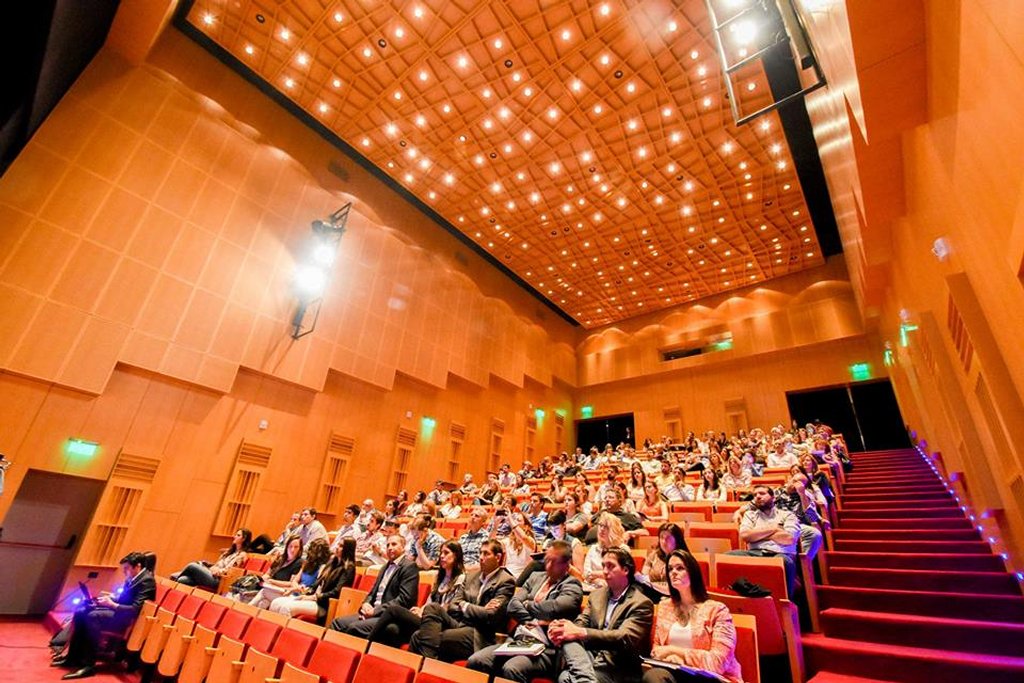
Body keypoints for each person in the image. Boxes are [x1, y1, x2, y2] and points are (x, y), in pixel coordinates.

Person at [467, 541, 584, 683]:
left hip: (545, 648)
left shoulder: (572, 585)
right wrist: (531, 619)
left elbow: (556, 607)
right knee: (476, 660)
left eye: (554, 562)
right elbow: (513, 605)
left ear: (566, 565)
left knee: (512, 668)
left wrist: (527, 604)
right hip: (518, 641)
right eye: (547, 560)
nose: (548, 566)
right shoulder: (535, 577)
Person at [548, 547, 654, 683]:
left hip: (618, 667)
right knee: (567, 637)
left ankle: (584, 678)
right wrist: (563, 628)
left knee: (565, 678)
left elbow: (624, 637)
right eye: (603, 565)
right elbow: (581, 621)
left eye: (610, 566)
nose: (604, 571)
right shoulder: (596, 595)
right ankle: (586, 679)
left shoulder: (641, 603)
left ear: (625, 570)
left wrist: (581, 632)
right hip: (590, 658)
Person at [52, 551, 157, 680]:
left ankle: (88, 665)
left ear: (138, 566)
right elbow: (125, 598)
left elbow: (136, 609)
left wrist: (112, 604)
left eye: (126, 568)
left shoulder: (147, 581)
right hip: (119, 612)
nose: (124, 572)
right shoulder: (134, 577)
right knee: (81, 611)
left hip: (126, 619)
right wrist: (112, 598)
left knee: (93, 616)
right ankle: (72, 658)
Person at [410, 539, 517, 661]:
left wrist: (464, 605)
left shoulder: (506, 581)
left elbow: (490, 615)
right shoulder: (471, 576)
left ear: (497, 557)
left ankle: (425, 666)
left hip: (478, 633)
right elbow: (453, 605)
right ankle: (425, 666)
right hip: (460, 624)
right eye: (480, 553)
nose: (481, 557)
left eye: (486, 554)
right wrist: (470, 607)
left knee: (418, 637)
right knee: (432, 607)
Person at [644, 550, 742, 683]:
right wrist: (672, 659)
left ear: (692, 573)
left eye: (680, 568)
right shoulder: (665, 607)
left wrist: (675, 652)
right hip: (675, 674)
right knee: (654, 676)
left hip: (710, 678)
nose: (673, 572)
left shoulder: (718, 610)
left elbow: (717, 663)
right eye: (670, 569)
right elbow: (657, 651)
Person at [367, 541, 466, 647]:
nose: (442, 556)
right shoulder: (439, 577)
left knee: (393, 610)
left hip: (441, 622)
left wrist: (424, 612)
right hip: (428, 617)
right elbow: (430, 601)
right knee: (392, 629)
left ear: (456, 555)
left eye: (446, 553)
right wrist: (421, 609)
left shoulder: (461, 578)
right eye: (441, 553)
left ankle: (367, 644)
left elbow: (450, 607)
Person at [329, 534, 419, 637]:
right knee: (337, 623)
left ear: (403, 548)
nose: (390, 548)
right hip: (372, 613)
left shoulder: (409, 567)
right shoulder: (384, 567)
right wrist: (366, 604)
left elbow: (404, 599)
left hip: (389, 617)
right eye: (388, 545)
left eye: (394, 544)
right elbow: (372, 593)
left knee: (354, 628)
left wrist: (375, 611)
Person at [729, 485, 801, 597]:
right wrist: (775, 529)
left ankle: (786, 606)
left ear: (773, 497)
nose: (757, 496)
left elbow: (789, 538)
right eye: (755, 495)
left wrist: (758, 535)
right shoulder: (750, 515)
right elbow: (745, 536)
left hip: (780, 553)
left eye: (762, 493)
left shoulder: (787, 515)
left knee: (783, 562)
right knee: (729, 556)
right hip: (755, 552)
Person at [269, 538, 357, 623]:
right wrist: (305, 589)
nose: (337, 547)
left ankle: (285, 635)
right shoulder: (332, 562)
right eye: (338, 544)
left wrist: (313, 597)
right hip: (314, 598)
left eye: (341, 546)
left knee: (286, 608)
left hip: (324, 605)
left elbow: (337, 592)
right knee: (276, 603)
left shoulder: (349, 568)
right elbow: (317, 583)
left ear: (347, 549)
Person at [170, 528, 250, 590]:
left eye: (238, 535)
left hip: (219, 580)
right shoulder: (228, 552)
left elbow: (230, 571)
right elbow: (216, 565)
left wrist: (217, 570)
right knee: (182, 580)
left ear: (244, 539)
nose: (234, 536)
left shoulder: (242, 555)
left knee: (192, 566)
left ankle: (173, 581)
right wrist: (213, 568)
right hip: (211, 574)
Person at [247, 535, 303, 608]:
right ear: (286, 547)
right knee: (263, 603)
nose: (292, 550)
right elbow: (267, 574)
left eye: (296, 547)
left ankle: (248, 607)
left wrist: (272, 581)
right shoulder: (280, 559)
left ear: (300, 549)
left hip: (283, 592)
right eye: (290, 546)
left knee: (263, 592)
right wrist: (265, 578)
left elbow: (290, 583)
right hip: (270, 588)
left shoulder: (299, 563)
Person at [583, 513, 630, 590]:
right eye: (600, 525)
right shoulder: (593, 549)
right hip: (593, 588)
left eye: (606, 526)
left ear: (614, 530)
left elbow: (621, 575)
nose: (601, 529)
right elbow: (586, 574)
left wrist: (596, 574)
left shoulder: (623, 550)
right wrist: (599, 581)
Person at [642, 523, 688, 595]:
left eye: (668, 538)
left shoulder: (684, 559)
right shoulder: (654, 555)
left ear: (677, 539)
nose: (664, 542)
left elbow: (674, 589)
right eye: (661, 537)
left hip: (675, 597)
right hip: (651, 595)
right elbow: (644, 577)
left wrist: (651, 585)